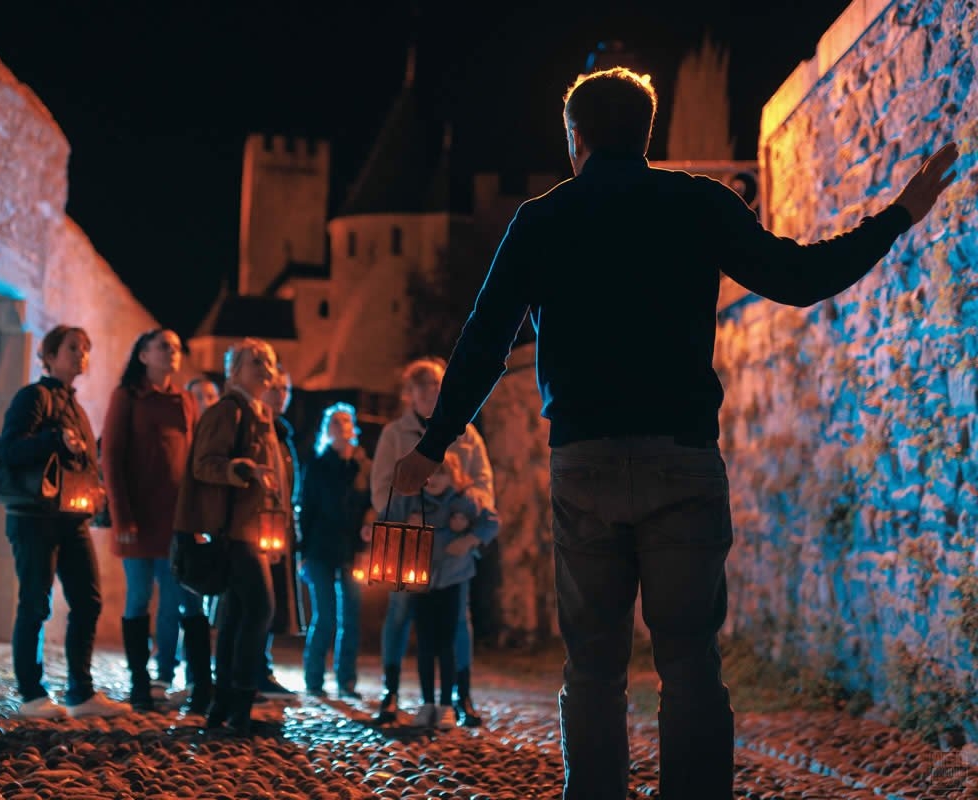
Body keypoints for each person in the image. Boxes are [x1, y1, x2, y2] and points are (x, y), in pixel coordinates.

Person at [391, 67, 961, 800]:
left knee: (592, 668)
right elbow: (802, 275)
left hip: (586, 466)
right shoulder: (699, 204)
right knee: (690, 662)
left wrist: (433, 444)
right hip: (683, 461)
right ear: (646, 132)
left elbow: (482, 344)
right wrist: (900, 213)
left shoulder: (541, 220)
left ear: (576, 138)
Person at [0, 324, 132, 719]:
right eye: (73, 347)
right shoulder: (33, 397)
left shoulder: (75, 407)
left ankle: (81, 691)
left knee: (88, 601)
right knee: (36, 604)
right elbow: (10, 449)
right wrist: (54, 440)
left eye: (86, 348)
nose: (81, 354)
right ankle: (32, 696)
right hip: (35, 519)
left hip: (72, 520)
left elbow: (84, 464)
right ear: (50, 355)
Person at [371, 357, 495, 727]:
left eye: (437, 385)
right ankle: (391, 692)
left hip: (452, 548)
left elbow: (483, 485)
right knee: (400, 616)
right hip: (410, 546)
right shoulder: (395, 435)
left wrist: (468, 516)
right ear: (409, 394)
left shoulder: (467, 434)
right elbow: (381, 486)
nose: (430, 392)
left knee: (458, 620)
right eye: (422, 386)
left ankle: (462, 694)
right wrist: (401, 515)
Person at [183, 337, 290, 733]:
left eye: (270, 361)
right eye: (256, 361)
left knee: (236, 616)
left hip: (253, 530)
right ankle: (238, 700)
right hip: (233, 531)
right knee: (260, 608)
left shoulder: (258, 412)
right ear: (234, 370)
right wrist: (241, 470)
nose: (265, 368)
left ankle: (226, 707)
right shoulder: (228, 411)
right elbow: (204, 464)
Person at [100, 329, 204, 711]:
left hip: (176, 519)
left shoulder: (185, 400)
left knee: (178, 598)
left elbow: (191, 460)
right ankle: (139, 682)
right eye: (164, 347)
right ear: (143, 354)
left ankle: (170, 675)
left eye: (177, 348)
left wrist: (196, 517)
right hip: (138, 517)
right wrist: (122, 516)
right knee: (140, 595)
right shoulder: (127, 397)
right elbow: (111, 457)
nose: (172, 353)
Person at [387, 451, 498, 727]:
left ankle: (447, 704)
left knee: (447, 643)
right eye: (431, 473)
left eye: (441, 473)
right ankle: (427, 703)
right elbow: (388, 517)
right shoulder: (412, 501)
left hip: (452, 579)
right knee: (424, 643)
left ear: (453, 476)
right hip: (420, 581)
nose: (434, 479)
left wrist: (470, 538)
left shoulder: (464, 502)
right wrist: (399, 527)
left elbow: (492, 521)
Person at [298, 402, 372, 699]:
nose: (341, 427)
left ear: (353, 429)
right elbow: (307, 509)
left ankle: (346, 680)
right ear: (326, 431)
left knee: (351, 617)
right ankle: (314, 678)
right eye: (335, 422)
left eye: (345, 422)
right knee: (325, 615)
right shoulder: (316, 465)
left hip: (351, 550)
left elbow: (369, 504)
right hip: (319, 548)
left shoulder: (362, 467)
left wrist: (366, 535)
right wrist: (302, 552)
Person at [256, 364, 303, 696]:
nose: (280, 395)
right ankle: (250, 669)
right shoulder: (259, 430)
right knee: (258, 600)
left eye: (285, 390)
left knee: (270, 601)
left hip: (278, 528)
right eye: (275, 388)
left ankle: (261, 666)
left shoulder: (283, 434)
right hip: (258, 526)